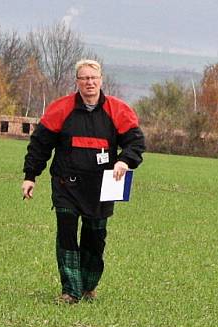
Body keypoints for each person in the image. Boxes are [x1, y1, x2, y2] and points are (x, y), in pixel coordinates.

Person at [22, 59, 146, 304]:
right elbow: (40, 145)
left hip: (102, 187)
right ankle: (70, 291)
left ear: (101, 80)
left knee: (94, 239)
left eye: (93, 78)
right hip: (66, 185)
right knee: (67, 236)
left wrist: (124, 161)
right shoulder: (61, 108)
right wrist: (30, 176)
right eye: (84, 78)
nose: (89, 82)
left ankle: (88, 286)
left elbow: (136, 142)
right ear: (77, 82)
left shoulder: (118, 110)